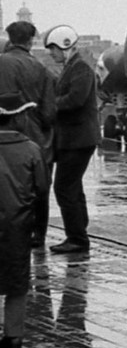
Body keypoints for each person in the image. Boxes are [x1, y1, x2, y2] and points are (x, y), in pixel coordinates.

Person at [0, 22, 55, 250]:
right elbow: (50, 112)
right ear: (31, 40)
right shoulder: (41, 69)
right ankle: (37, 235)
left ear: (9, 39)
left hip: (3, 135)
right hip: (34, 136)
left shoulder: (1, 63)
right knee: (38, 187)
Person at [43, 25, 97, 254]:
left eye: (53, 50)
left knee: (64, 188)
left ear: (64, 45)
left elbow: (76, 99)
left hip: (78, 138)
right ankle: (78, 232)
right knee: (73, 188)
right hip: (75, 138)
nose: (51, 55)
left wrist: (50, 106)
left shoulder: (80, 69)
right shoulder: (74, 67)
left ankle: (77, 238)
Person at [0, 92, 47, 348]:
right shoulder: (31, 150)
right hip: (19, 226)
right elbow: (41, 192)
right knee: (17, 281)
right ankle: (13, 335)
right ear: (18, 118)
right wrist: (38, 230)